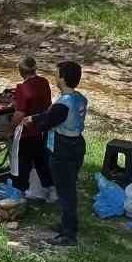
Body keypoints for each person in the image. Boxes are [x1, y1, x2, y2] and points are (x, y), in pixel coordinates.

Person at [25, 61, 89, 246]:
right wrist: (36, 117)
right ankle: (66, 224)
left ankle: (69, 234)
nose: (54, 76)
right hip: (76, 143)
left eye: (56, 73)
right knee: (67, 186)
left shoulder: (64, 103)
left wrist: (32, 122)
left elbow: (48, 121)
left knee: (66, 190)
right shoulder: (79, 98)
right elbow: (50, 114)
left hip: (63, 147)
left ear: (62, 78)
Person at [1, 55, 54, 200]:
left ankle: (20, 193)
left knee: (22, 163)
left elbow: (19, 114)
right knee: (41, 161)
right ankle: (51, 190)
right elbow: (48, 104)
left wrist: (9, 129)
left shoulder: (22, 88)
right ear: (35, 69)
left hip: (27, 131)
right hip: (42, 129)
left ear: (21, 72)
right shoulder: (44, 82)